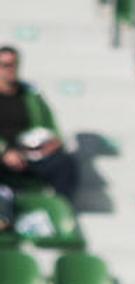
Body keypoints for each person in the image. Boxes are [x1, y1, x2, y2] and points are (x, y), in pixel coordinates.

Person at [0, 46, 78, 199]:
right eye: (5, 65)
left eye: (15, 64)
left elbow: (50, 125)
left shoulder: (31, 95)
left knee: (64, 164)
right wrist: (5, 152)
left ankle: (59, 211)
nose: (11, 69)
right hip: (3, 155)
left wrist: (53, 142)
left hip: (30, 153)